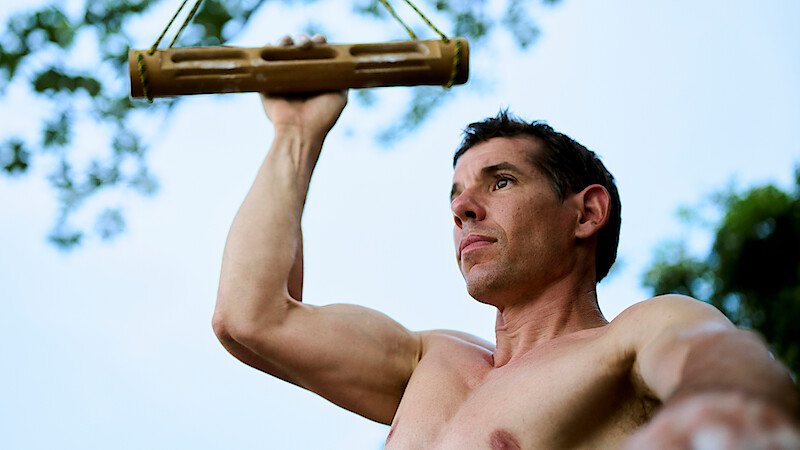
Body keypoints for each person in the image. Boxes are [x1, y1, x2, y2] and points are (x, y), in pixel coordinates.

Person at [212, 34, 800, 449]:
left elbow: (736, 383)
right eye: (457, 193)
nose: (464, 208)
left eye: (502, 181)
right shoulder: (429, 363)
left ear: (587, 213)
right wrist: (296, 132)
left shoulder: (634, 338)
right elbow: (250, 317)